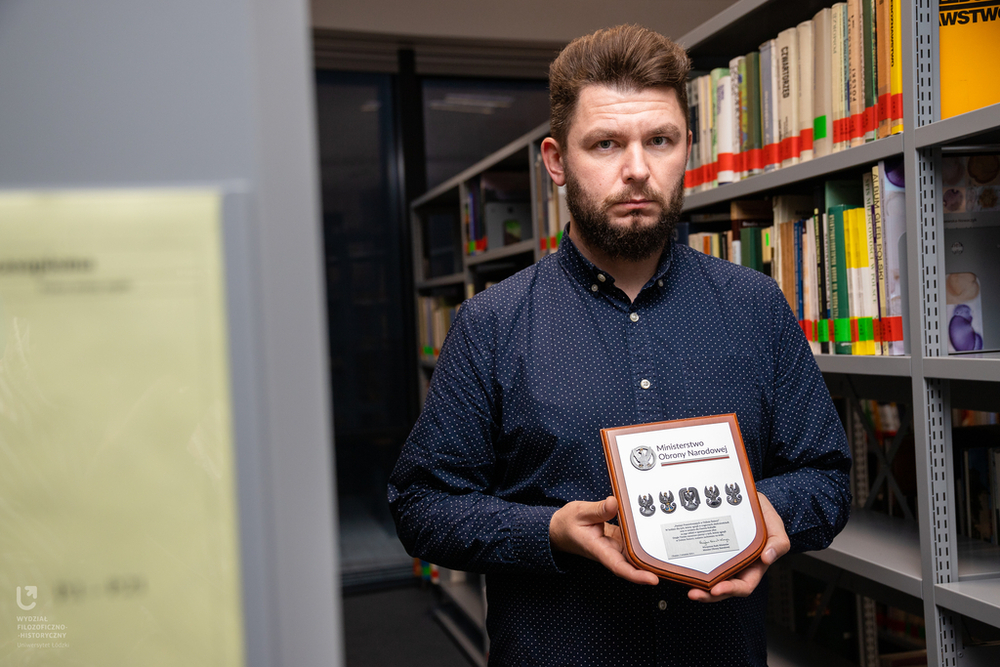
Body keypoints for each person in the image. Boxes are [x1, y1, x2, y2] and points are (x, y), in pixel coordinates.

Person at [389, 24, 851, 666]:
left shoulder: (755, 306)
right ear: (556, 161)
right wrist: (548, 531)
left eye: (659, 140)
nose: (636, 169)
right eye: (605, 144)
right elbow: (422, 505)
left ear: (687, 147)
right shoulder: (491, 324)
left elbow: (827, 477)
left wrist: (767, 514)